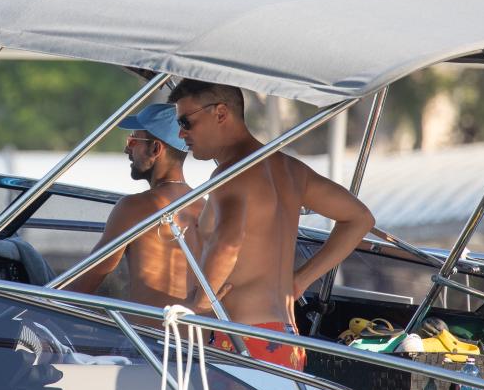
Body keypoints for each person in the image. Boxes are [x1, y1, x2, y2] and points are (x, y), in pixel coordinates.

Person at [168, 80, 375, 370]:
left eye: (185, 121)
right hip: (287, 339)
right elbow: (360, 218)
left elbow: (228, 243)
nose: (181, 133)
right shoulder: (289, 169)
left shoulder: (231, 174)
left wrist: (198, 305)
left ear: (220, 113)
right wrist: (300, 281)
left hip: (243, 340)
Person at [66, 103, 206, 317]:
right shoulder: (205, 207)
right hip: (199, 345)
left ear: (155, 149)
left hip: (148, 343)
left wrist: (31, 302)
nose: (127, 149)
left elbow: (86, 280)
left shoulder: (135, 208)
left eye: (133, 141)